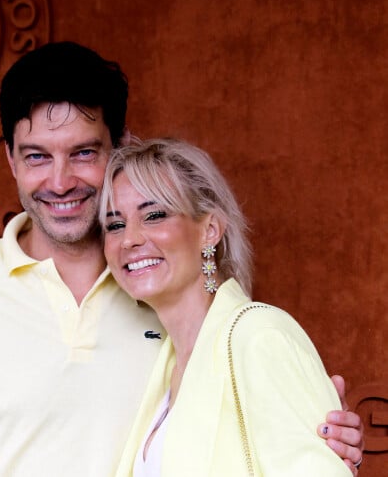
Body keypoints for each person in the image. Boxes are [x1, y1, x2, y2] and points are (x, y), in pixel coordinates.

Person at [0, 42, 363, 477]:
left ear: (119, 148)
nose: (61, 181)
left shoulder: (170, 293)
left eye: (83, 152)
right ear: (10, 160)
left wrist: (317, 431)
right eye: (37, 157)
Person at [99, 137, 360, 476]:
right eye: (115, 224)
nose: (129, 239)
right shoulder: (163, 366)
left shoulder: (260, 335)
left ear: (209, 230)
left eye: (154, 215)